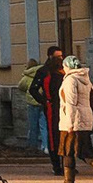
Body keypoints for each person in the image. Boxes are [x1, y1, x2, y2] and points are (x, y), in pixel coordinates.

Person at [56, 55, 93, 183]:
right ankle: (69, 182)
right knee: (81, 151)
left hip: (71, 122)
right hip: (84, 119)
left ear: (68, 67)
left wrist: (70, 123)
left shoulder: (70, 80)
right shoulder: (85, 78)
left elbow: (70, 102)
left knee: (68, 152)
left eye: (64, 66)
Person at [29, 47, 65, 175]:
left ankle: (67, 164)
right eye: (57, 56)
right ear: (50, 56)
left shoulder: (63, 70)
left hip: (64, 106)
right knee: (53, 136)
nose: (60, 59)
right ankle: (56, 165)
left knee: (65, 135)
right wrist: (44, 101)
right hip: (51, 107)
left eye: (61, 56)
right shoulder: (43, 71)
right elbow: (33, 89)